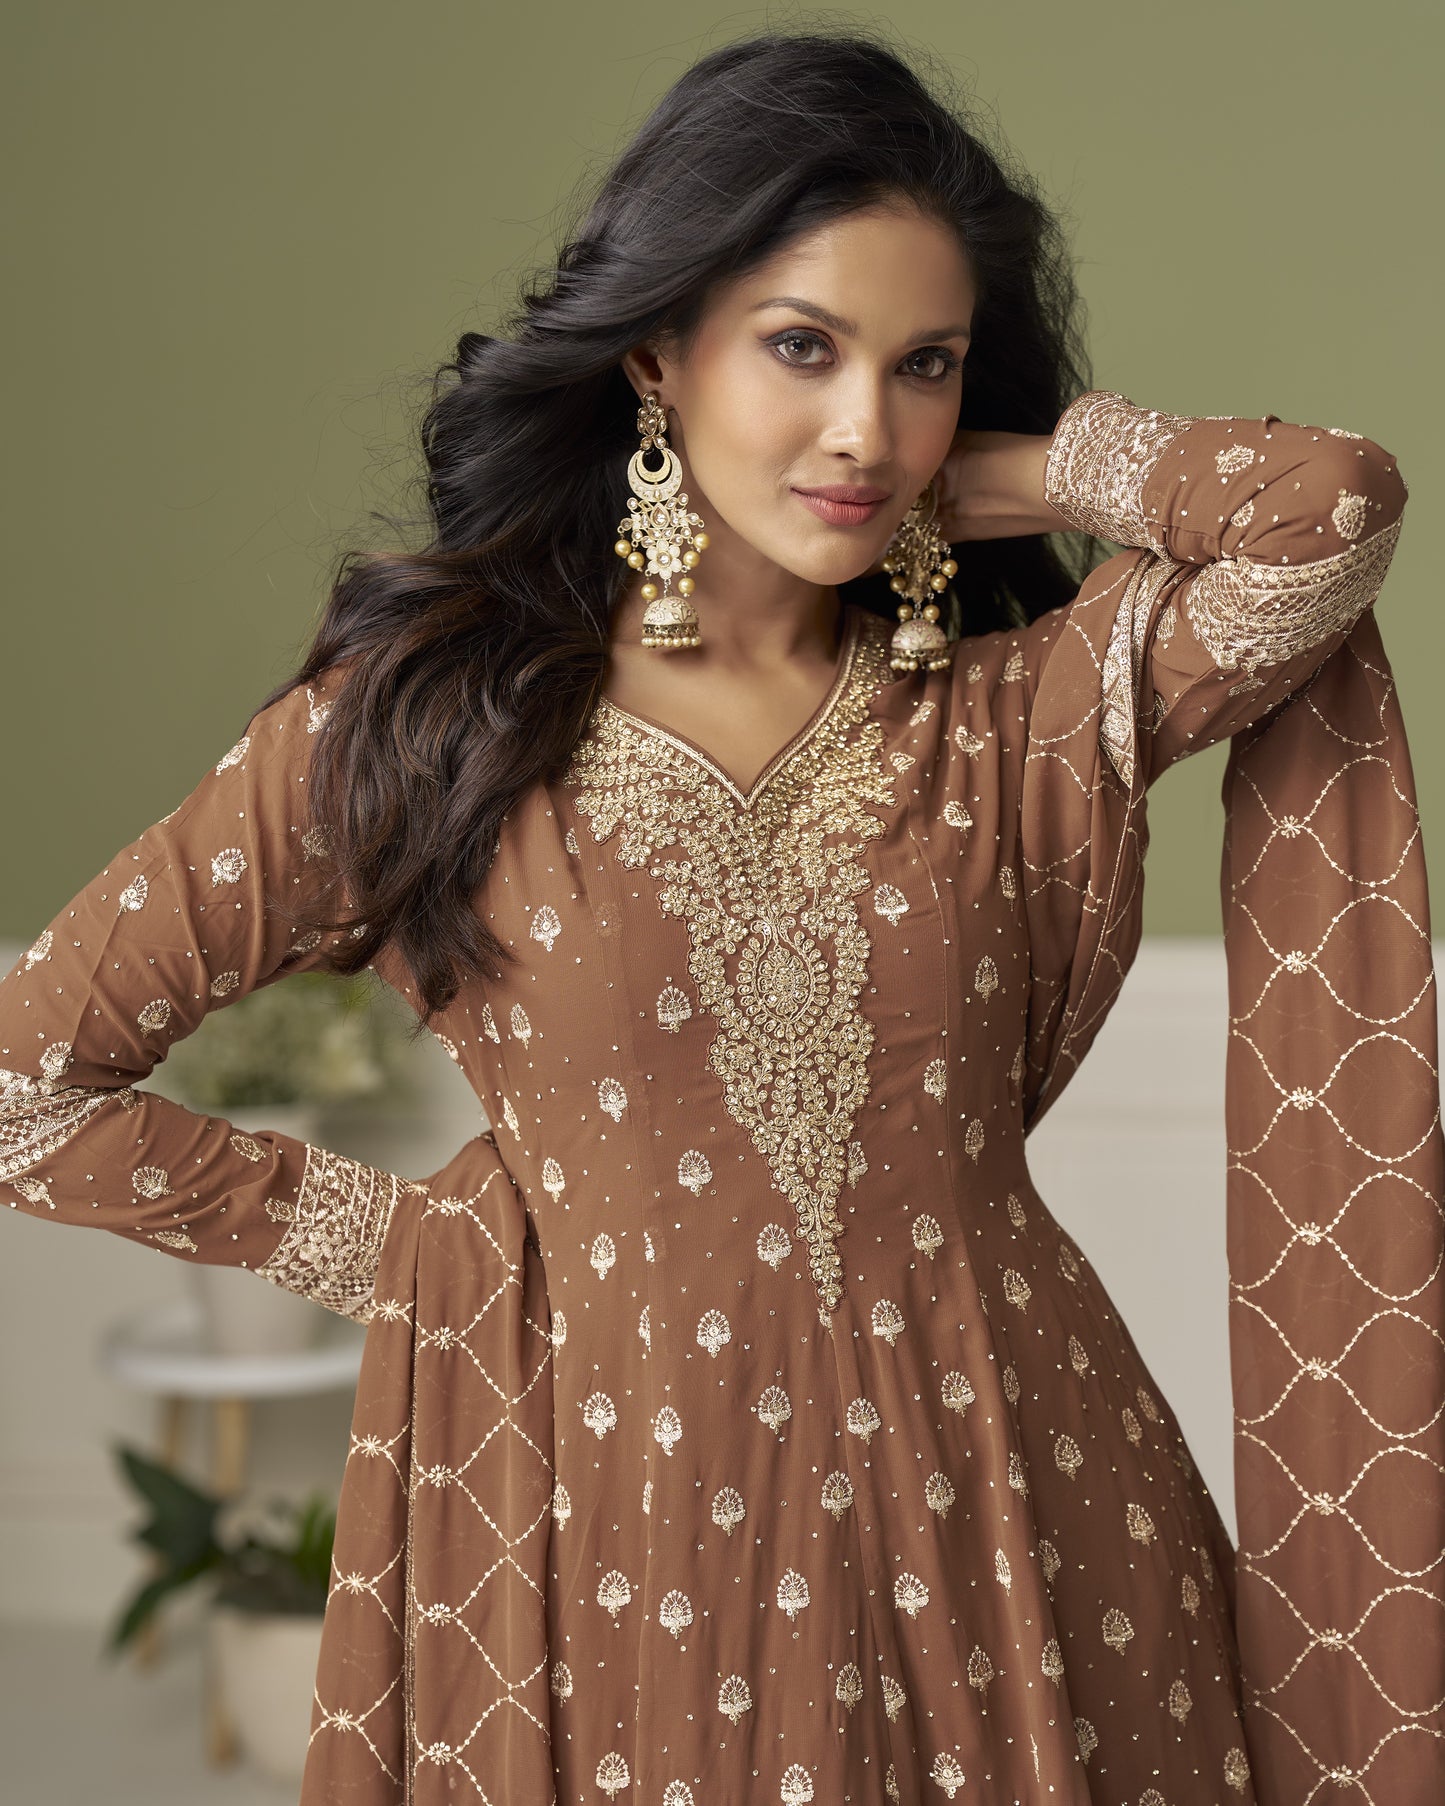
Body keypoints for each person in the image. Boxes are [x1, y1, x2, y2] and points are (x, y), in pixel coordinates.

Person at [3, 27, 1440, 1806]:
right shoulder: (436, 730)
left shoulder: (1017, 720)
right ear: (655, 356)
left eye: (923, 366)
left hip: (1024, 1515)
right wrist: (388, 1245)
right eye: (800, 347)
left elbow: (1328, 511)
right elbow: (22, 1079)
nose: (865, 429)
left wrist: (1007, 473)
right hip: (611, 1532)